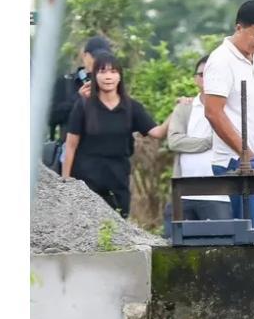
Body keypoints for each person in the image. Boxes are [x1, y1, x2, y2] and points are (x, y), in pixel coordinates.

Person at [202, 0, 254, 240]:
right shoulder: (221, 60)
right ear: (239, 28)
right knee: (252, 235)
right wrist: (245, 152)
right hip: (237, 160)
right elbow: (213, 112)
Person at [61, 53, 168, 217]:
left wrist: (179, 110)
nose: (108, 77)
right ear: (95, 76)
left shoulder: (132, 107)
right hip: (86, 180)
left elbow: (157, 132)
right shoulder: (83, 106)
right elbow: (70, 145)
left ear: (120, 76)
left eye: (113, 71)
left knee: (117, 223)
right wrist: (66, 181)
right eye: (102, 71)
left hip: (118, 180)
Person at [162, 57, 231, 235]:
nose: (207, 78)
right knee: (174, 244)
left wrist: (193, 142)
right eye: (202, 74)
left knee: (221, 245)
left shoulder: (232, 107)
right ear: (195, 79)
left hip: (220, 196)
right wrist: (208, 142)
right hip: (184, 194)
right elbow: (174, 141)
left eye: (212, 74)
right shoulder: (185, 107)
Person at [49, 36, 112, 141]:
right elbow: (51, 117)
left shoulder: (111, 84)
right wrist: (78, 98)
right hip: (71, 146)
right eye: (94, 57)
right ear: (84, 56)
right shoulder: (66, 82)